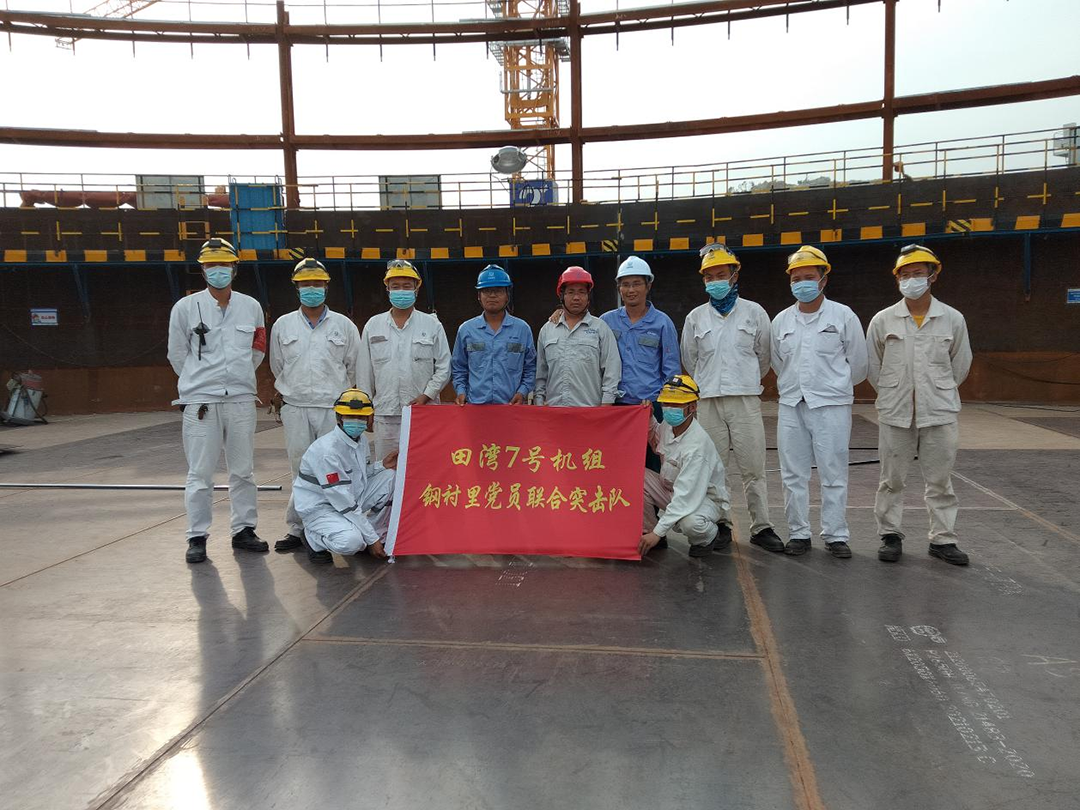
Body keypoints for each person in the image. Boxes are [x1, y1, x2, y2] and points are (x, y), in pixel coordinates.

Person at [866, 244, 973, 565]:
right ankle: (890, 535)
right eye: (905, 274)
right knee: (891, 479)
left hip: (939, 412)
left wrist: (936, 392)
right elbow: (873, 365)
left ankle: (943, 539)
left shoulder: (952, 319)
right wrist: (894, 392)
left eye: (918, 273)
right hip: (895, 412)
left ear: (933, 276)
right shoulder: (883, 320)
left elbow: (961, 364)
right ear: (897, 278)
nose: (911, 279)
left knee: (940, 480)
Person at [166, 238, 268, 564]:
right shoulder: (185, 308)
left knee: (243, 471)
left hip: (240, 399)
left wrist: (237, 376)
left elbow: (257, 349)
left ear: (234, 268)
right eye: (212, 265)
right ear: (202, 269)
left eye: (224, 264)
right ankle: (197, 536)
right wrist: (199, 381)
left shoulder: (251, 307)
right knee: (200, 473)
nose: (218, 270)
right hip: (201, 402)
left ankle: (244, 530)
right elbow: (177, 353)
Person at [681, 243, 783, 552]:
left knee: (753, 466)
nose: (715, 281)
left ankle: (761, 526)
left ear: (734, 276)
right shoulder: (695, 318)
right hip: (709, 400)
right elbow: (690, 360)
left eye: (721, 275)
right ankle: (722, 523)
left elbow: (764, 356)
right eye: (709, 277)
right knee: (715, 467)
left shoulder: (754, 312)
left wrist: (744, 379)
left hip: (744, 399)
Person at [770, 246, 868, 558]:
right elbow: (777, 362)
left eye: (809, 277)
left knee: (833, 472)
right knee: (793, 473)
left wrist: (831, 387)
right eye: (796, 278)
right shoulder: (781, 321)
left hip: (831, 406)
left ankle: (836, 535)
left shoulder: (843, 316)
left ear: (823, 279)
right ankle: (798, 533)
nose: (802, 283)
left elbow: (859, 364)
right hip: (791, 404)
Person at [268, 257, 361, 553]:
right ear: (296, 288)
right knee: (300, 469)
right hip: (296, 406)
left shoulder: (343, 325)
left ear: (326, 286)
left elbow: (353, 367)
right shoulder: (283, 325)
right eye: (306, 284)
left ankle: (332, 528)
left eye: (317, 283)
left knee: (333, 470)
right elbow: (277, 365)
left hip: (332, 409)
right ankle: (298, 529)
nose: (312, 288)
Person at [358, 259, 451, 458]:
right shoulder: (373, 325)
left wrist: (427, 395)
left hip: (424, 412)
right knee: (386, 468)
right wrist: (366, 408)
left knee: (424, 464)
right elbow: (364, 371)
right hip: (386, 413)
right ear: (388, 289)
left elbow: (444, 366)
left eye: (407, 286)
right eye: (395, 286)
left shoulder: (432, 325)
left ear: (416, 289)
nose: (401, 291)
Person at [293, 389, 398, 564]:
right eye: (350, 416)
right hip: (322, 507)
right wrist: (370, 539)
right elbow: (342, 500)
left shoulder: (361, 441)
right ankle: (313, 538)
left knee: (390, 477)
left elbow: (357, 475)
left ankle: (377, 534)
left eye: (361, 417)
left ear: (369, 418)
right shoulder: (328, 452)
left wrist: (381, 466)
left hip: (348, 497)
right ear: (339, 418)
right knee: (351, 543)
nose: (356, 421)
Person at [601, 256, 680, 475]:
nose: (631, 290)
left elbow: (671, 371)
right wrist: (560, 312)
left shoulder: (662, 323)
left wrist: (666, 407)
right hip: (616, 407)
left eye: (636, 283)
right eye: (625, 284)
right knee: (617, 467)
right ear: (619, 288)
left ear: (648, 285)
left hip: (650, 408)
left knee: (654, 467)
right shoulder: (606, 321)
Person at [638, 374, 731, 558]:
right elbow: (657, 440)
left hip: (702, 498)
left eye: (676, 404)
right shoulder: (668, 425)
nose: (669, 408)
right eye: (666, 403)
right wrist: (649, 418)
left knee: (691, 523)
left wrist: (658, 532)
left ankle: (708, 537)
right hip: (671, 488)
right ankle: (648, 533)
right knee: (635, 478)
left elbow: (686, 496)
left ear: (692, 407)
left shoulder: (697, 446)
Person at [534, 266, 621, 407]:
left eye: (582, 292)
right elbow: (540, 374)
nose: (576, 297)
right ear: (562, 296)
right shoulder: (547, 330)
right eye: (571, 292)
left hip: (590, 411)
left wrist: (606, 404)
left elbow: (612, 370)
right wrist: (539, 403)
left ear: (588, 297)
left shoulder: (600, 328)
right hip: (555, 412)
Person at [451, 265, 536, 405]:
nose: (492, 295)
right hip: (475, 408)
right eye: (486, 291)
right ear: (479, 296)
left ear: (507, 295)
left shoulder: (522, 329)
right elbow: (459, 367)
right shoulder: (466, 330)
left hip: (511, 407)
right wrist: (461, 391)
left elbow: (530, 368)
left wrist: (522, 392)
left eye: (498, 290)